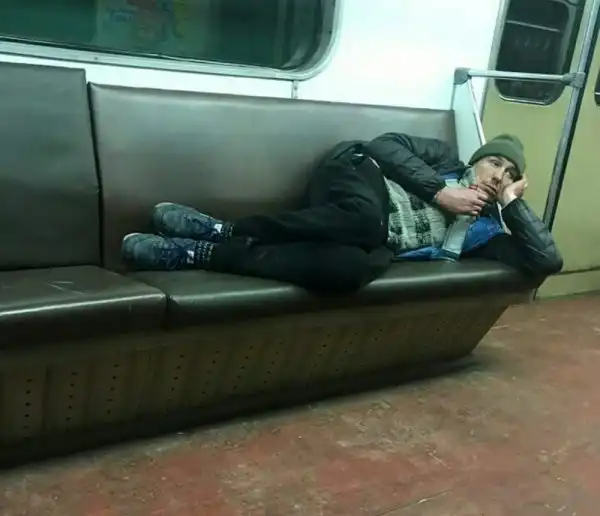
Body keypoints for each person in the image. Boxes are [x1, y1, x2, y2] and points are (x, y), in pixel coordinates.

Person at [121, 133, 563, 292]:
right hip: (358, 178)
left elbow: (546, 261)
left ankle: (197, 252)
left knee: (350, 270)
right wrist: (441, 192)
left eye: (509, 175)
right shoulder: (444, 159)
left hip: (369, 238)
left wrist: (512, 205)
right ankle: (224, 228)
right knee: (366, 219)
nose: (498, 175)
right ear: (477, 160)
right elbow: (382, 146)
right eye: (494, 163)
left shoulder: (485, 232)